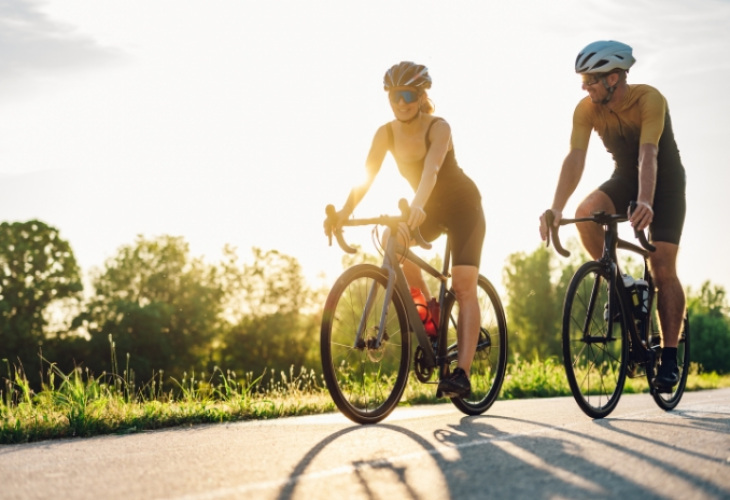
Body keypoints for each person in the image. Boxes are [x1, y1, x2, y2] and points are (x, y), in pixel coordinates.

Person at [326, 61, 486, 398]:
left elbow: (431, 170)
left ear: (423, 94)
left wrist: (417, 204)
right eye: (395, 95)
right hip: (424, 207)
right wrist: (343, 212)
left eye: (409, 94)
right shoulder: (385, 133)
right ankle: (429, 309)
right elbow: (365, 177)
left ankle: (462, 374)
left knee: (463, 284)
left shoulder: (438, 127)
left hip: (462, 208)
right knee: (391, 240)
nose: (402, 102)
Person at [539, 41, 687, 391]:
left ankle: (668, 357)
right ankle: (622, 286)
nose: (585, 87)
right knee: (586, 214)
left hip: (663, 183)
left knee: (662, 267)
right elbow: (575, 158)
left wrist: (646, 201)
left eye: (591, 79)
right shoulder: (586, 108)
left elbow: (648, 154)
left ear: (615, 78)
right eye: (584, 80)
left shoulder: (650, 99)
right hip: (625, 176)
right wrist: (556, 208)